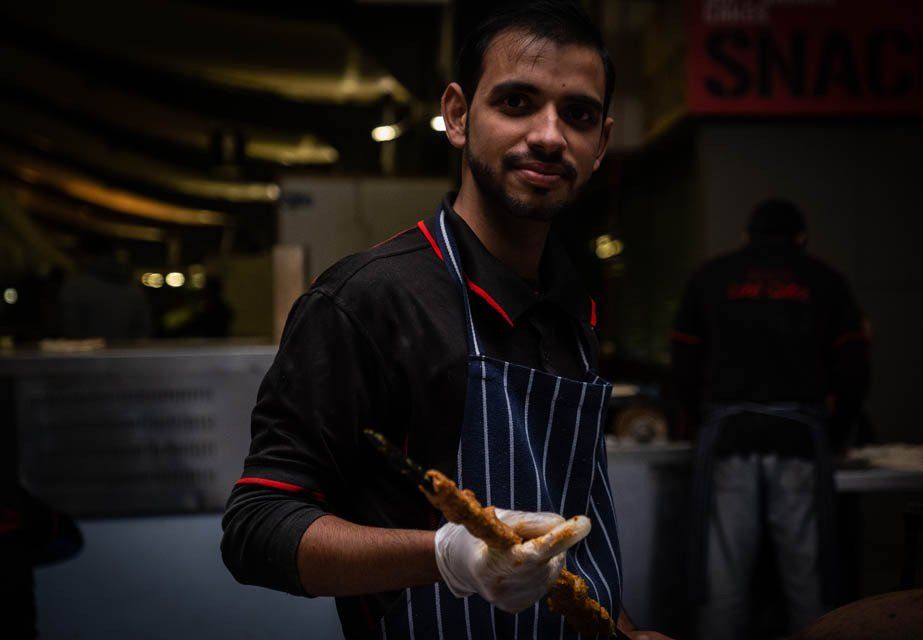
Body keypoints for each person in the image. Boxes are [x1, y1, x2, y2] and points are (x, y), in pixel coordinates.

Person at [221, 2, 672, 638]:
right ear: (458, 116)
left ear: (599, 144)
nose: (549, 135)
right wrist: (444, 556)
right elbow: (255, 528)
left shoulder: (575, 309)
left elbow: (570, 526)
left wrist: (618, 626)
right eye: (516, 103)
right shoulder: (366, 301)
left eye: (578, 114)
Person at [671, 199, 871, 640]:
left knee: (723, 575)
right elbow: (854, 367)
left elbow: (683, 362)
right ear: (801, 238)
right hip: (799, 440)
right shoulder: (826, 280)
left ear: (747, 236)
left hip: (730, 439)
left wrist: (695, 419)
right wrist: (838, 434)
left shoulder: (712, 276)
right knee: (808, 575)